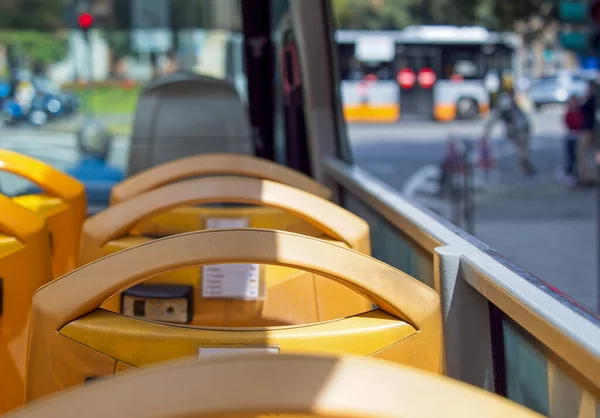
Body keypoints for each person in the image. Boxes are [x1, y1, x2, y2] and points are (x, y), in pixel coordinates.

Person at [483, 84, 535, 176]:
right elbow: (495, 118)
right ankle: (525, 168)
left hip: (521, 128)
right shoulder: (506, 103)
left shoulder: (512, 102)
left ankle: (526, 167)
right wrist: (486, 134)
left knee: (523, 149)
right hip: (516, 130)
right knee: (521, 150)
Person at [578, 81, 596, 185]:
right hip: (591, 129)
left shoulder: (592, 99)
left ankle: (587, 178)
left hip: (589, 130)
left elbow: (582, 109)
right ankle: (589, 177)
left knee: (583, 154)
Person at [563, 96, 583, 187]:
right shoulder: (569, 113)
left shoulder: (581, 112)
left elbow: (581, 123)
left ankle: (579, 176)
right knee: (571, 158)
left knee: (580, 159)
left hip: (580, 137)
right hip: (571, 137)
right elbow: (571, 124)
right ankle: (570, 175)